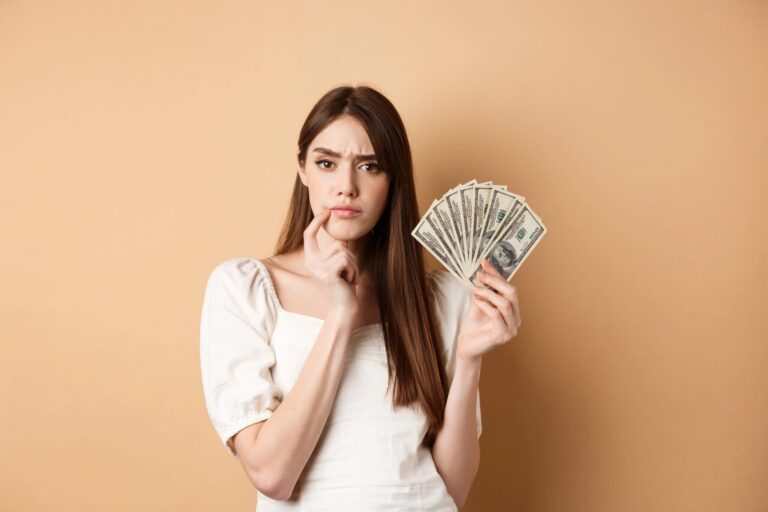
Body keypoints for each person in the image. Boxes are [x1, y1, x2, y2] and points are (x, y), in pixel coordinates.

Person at [199, 85, 522, 511]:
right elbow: (272, 475)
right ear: (302, 170)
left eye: (370, 166)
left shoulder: (440, 300)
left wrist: (468, 360)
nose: (346, 187)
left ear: (393, 181)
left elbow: (453, 488)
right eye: (327, 163)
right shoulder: (246, 288)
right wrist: (340, 313)